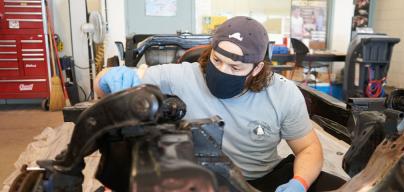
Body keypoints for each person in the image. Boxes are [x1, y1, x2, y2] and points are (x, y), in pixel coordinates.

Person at [94, 16, 345, 191]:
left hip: (261, 181)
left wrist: (299, 184)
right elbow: (102, 87)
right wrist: (109, 78)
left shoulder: (283, 93)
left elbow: (309, 149)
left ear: (257, 68)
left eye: (235, 66)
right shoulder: (181, 76)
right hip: (195, 181)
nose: (222, 70)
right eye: (217, 59)